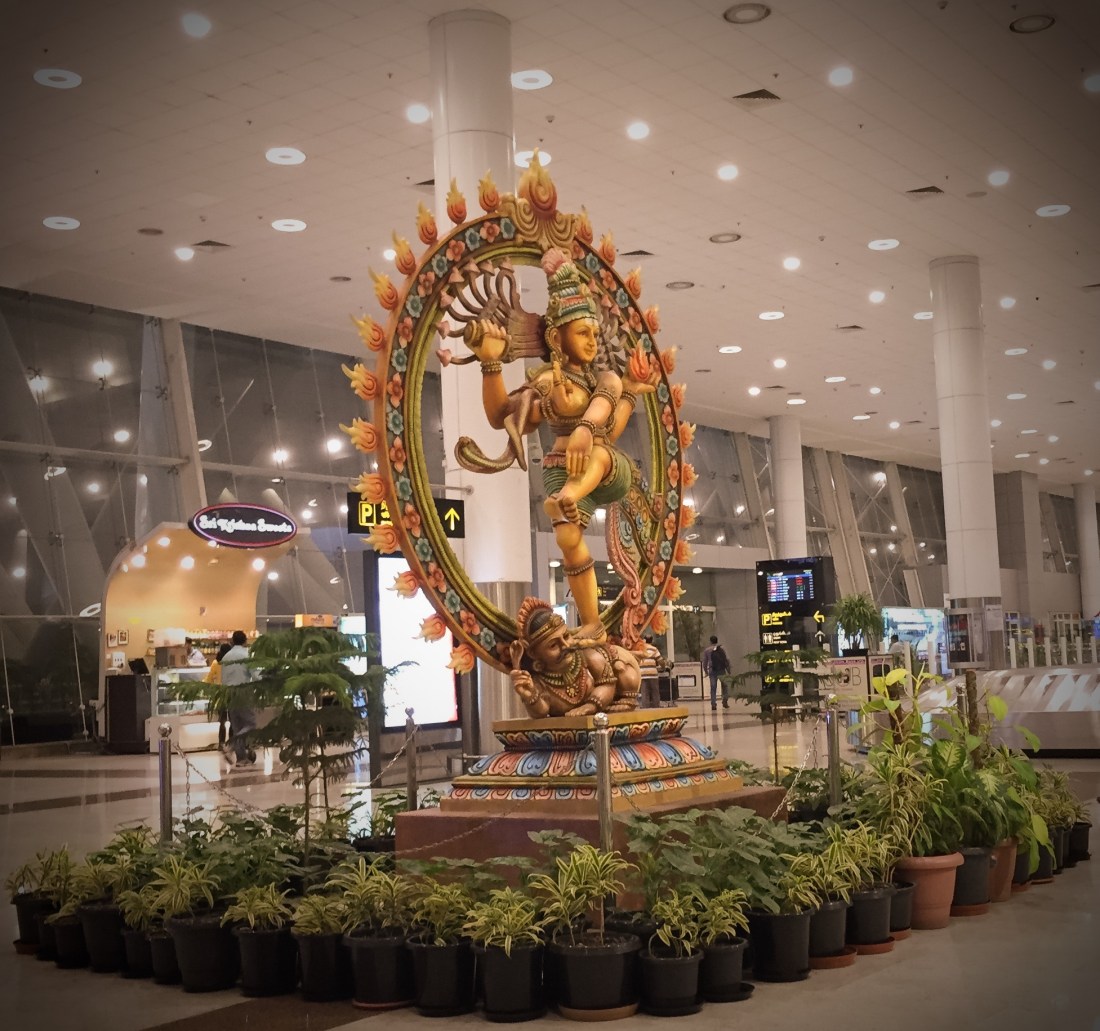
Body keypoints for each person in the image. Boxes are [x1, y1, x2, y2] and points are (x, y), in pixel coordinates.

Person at [459, 248, 659, 637]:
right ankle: (593, 624)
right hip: (559, 470)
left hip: (602, 470)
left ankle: (569, 494)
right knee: (568, 537)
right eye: (583, 333)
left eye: (595, 334)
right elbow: (502, 416)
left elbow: (607, 417)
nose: (592, 342)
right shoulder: (544, 383)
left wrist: (590, 424)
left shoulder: (605, 379)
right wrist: (490, 363)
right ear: (556, 335)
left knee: (598, 451)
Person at [507, 597, 641, 717]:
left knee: (620, 667)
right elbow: (542, 711)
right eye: (553, 645)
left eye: (566, 636)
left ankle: (627, 700)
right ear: (534, 654)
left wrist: (591, 706)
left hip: (623, 676)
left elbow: (608, 683)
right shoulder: (539, 681)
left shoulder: (588, 656)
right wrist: (530, 696)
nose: (565, 645)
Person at [220, 630, 257, 768]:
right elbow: (256, 674)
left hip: (229, 693)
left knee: (237, 726)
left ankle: (241, 759)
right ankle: (230, 745)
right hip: (243, 691)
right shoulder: (247, 655)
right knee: (250, 724)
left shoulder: (226, 657)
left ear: (232, 641)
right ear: (245, 641)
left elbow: (223, 678)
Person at [203, 642, 233, 747]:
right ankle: (231, 743)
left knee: (222, 721)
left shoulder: (216, 663)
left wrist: (202, 685)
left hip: (220, 694)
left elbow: (209, 678)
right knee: (232, 720)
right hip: (231, 693)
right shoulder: (232, 662)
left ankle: (221, 743)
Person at [702, 635, 730, 711]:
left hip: (712, 670)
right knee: (725, 686)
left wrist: (706, 671)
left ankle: (713, 704)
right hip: (721, 670)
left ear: (710, 641)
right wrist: (728, 669)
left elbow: (705, 662)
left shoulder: (707, 650)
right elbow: (726, 659)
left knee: (713, 688)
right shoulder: (722, 648)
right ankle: (725, 701)